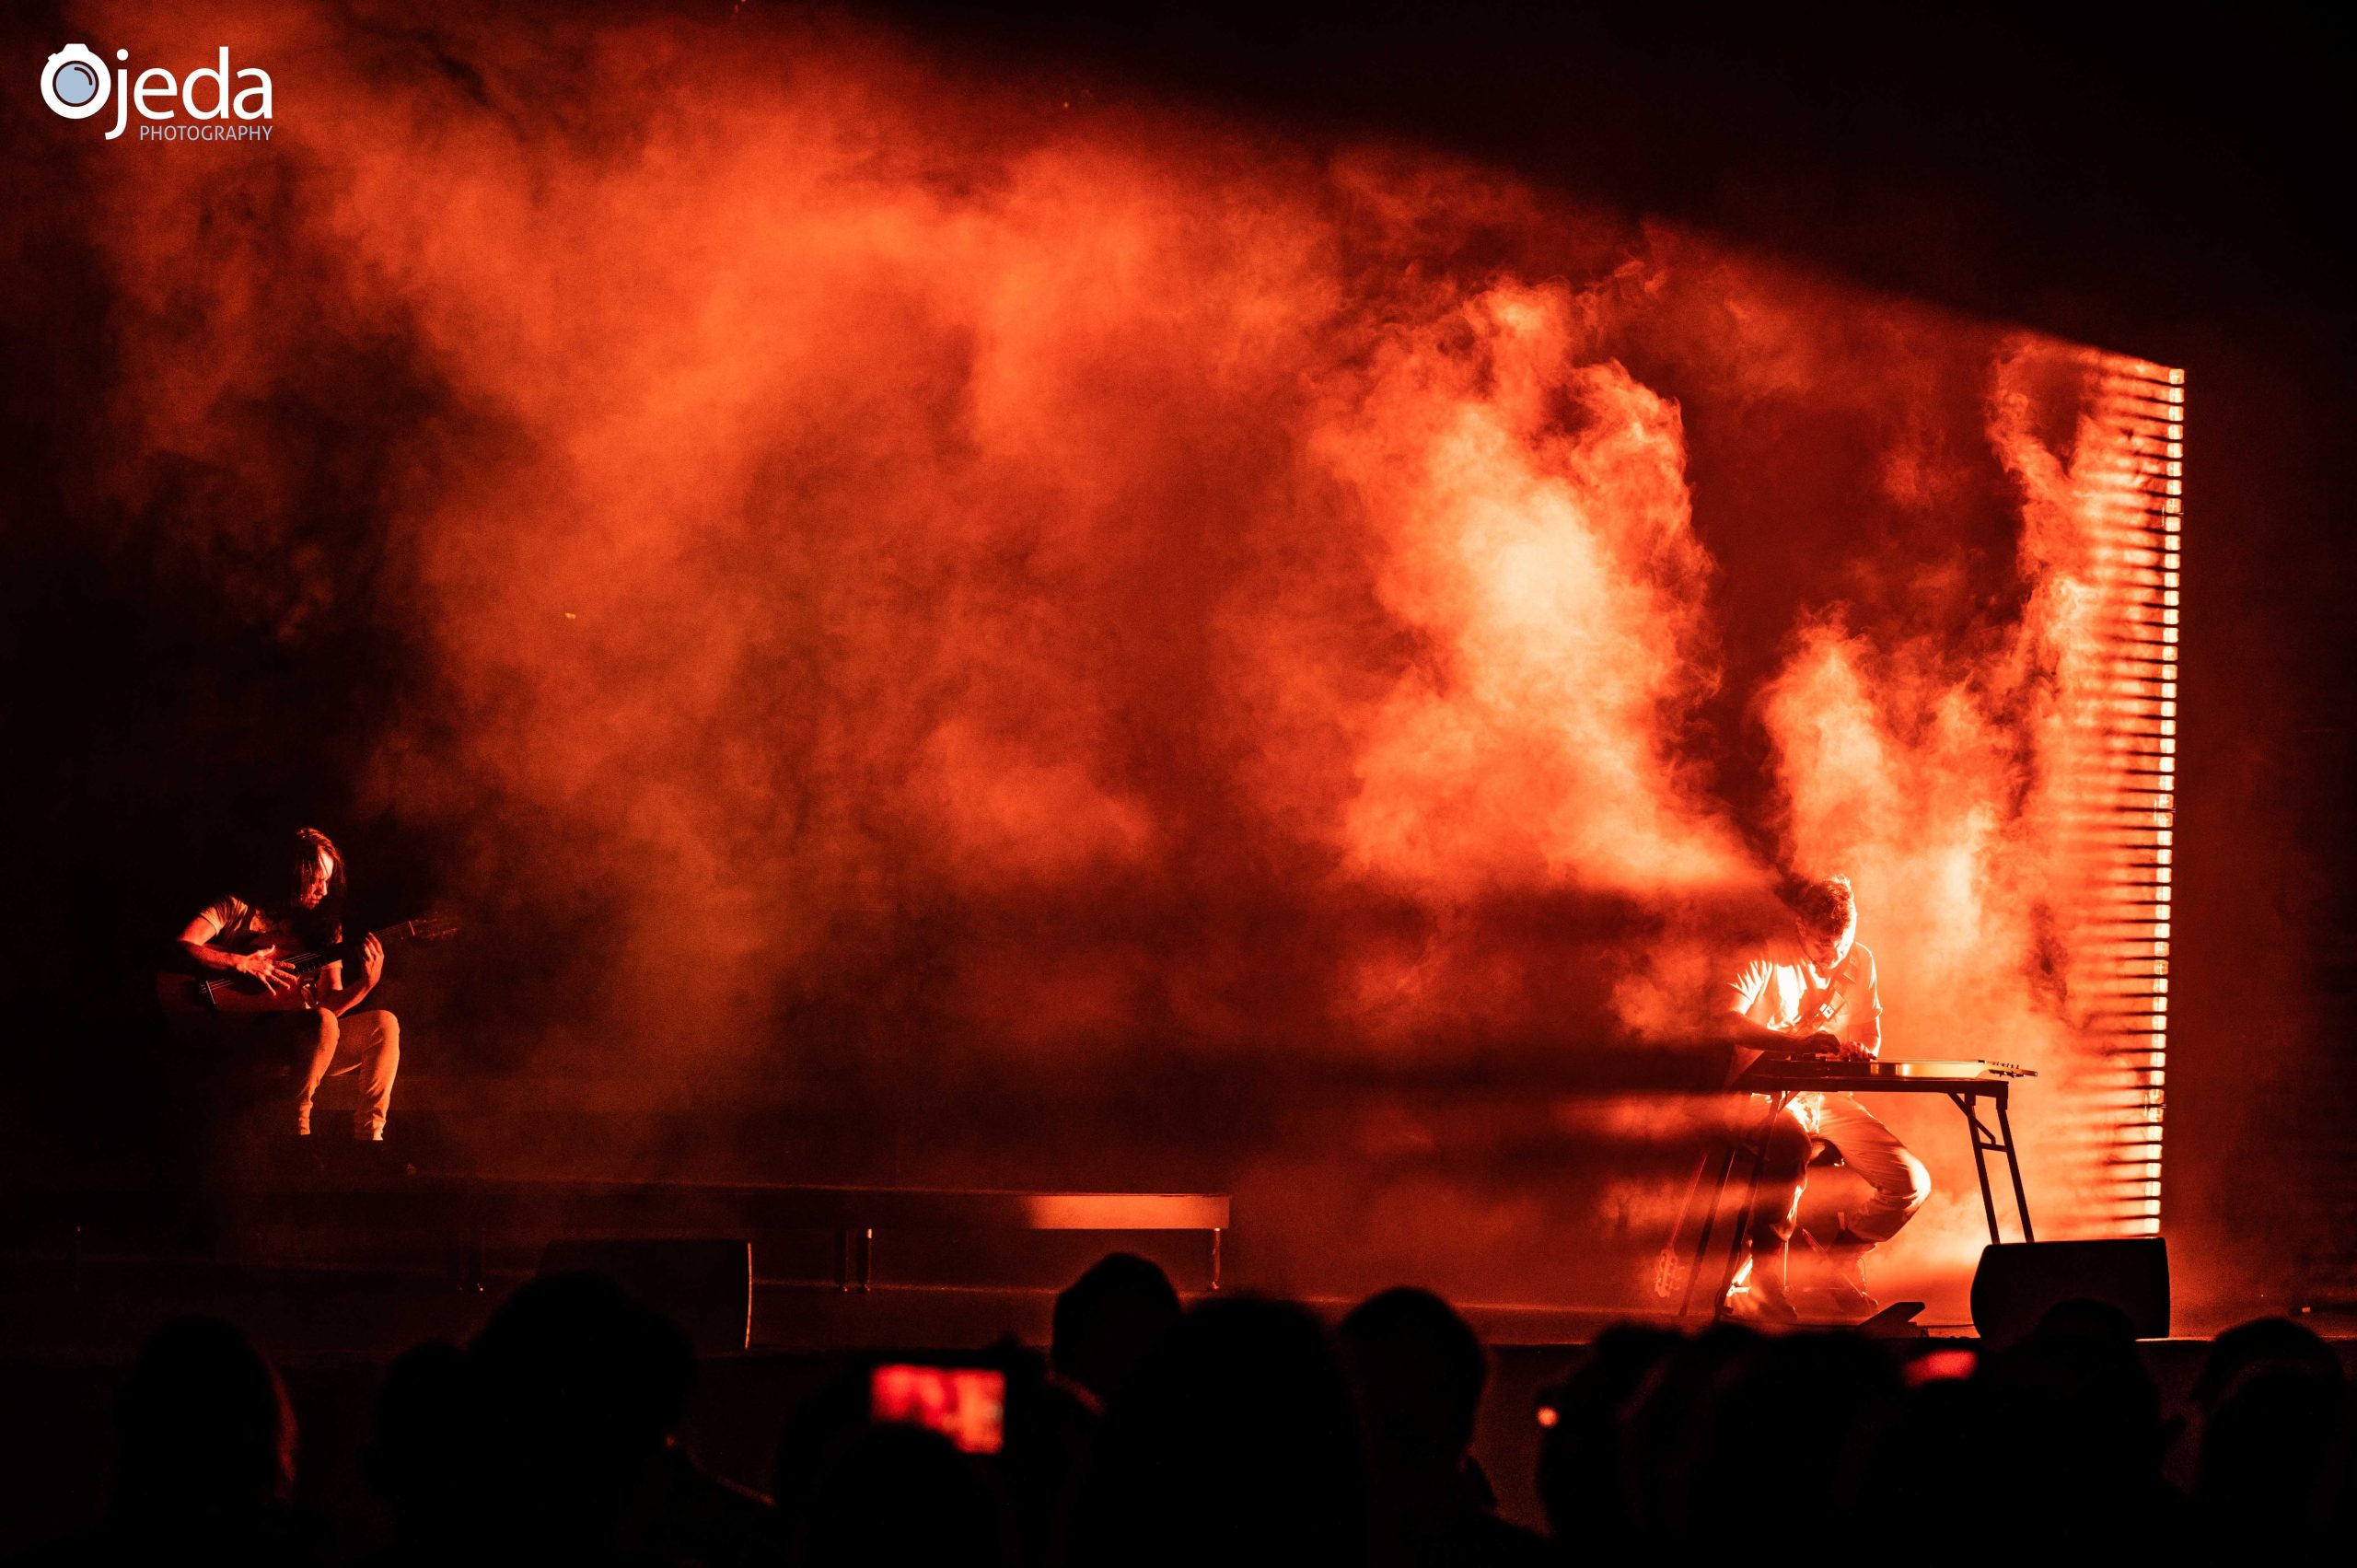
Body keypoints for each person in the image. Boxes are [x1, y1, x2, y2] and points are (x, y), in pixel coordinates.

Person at [1720, 874, 1929, 1320]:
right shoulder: (1766, 954)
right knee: (1791, 1145)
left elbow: (1869, 1034)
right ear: (1800, 926)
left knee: (1910, 1182)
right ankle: (1766, 1280)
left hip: (1824, 1098)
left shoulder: (1861, 960)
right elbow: (1725, 1022)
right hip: (1759, 1096)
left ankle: (1835, 1263)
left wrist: (1861, 1052)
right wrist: (1793, 1044)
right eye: (1822, 944)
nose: (1833, 955)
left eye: (1843, 941)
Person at [170, 826, 400, 1144]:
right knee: (321, 1021)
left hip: (303, 1043)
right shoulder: (236, 908)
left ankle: (370, 1138)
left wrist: (364, 986)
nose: (323, 890)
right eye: (317, 879)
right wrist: (240, 962)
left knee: (383, 1024)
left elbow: (327, 1007)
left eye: (328, 882)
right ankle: (297, 1131)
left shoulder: (325, 932)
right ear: (294, 873)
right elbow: (182, 944)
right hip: (245, 1035)